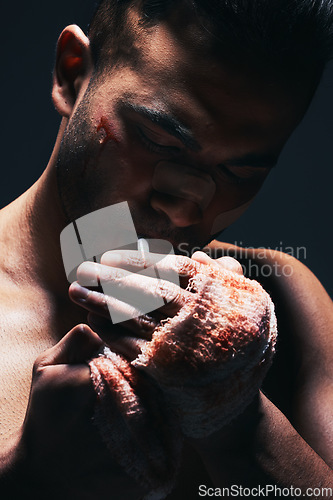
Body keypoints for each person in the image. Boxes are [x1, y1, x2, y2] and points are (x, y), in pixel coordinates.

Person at [0, 0, 332, 498]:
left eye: (239, 174)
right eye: (159, 140)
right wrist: (22, 478)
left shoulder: (282, 300)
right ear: (73, 75)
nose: (184, 207)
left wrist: (238, 419)